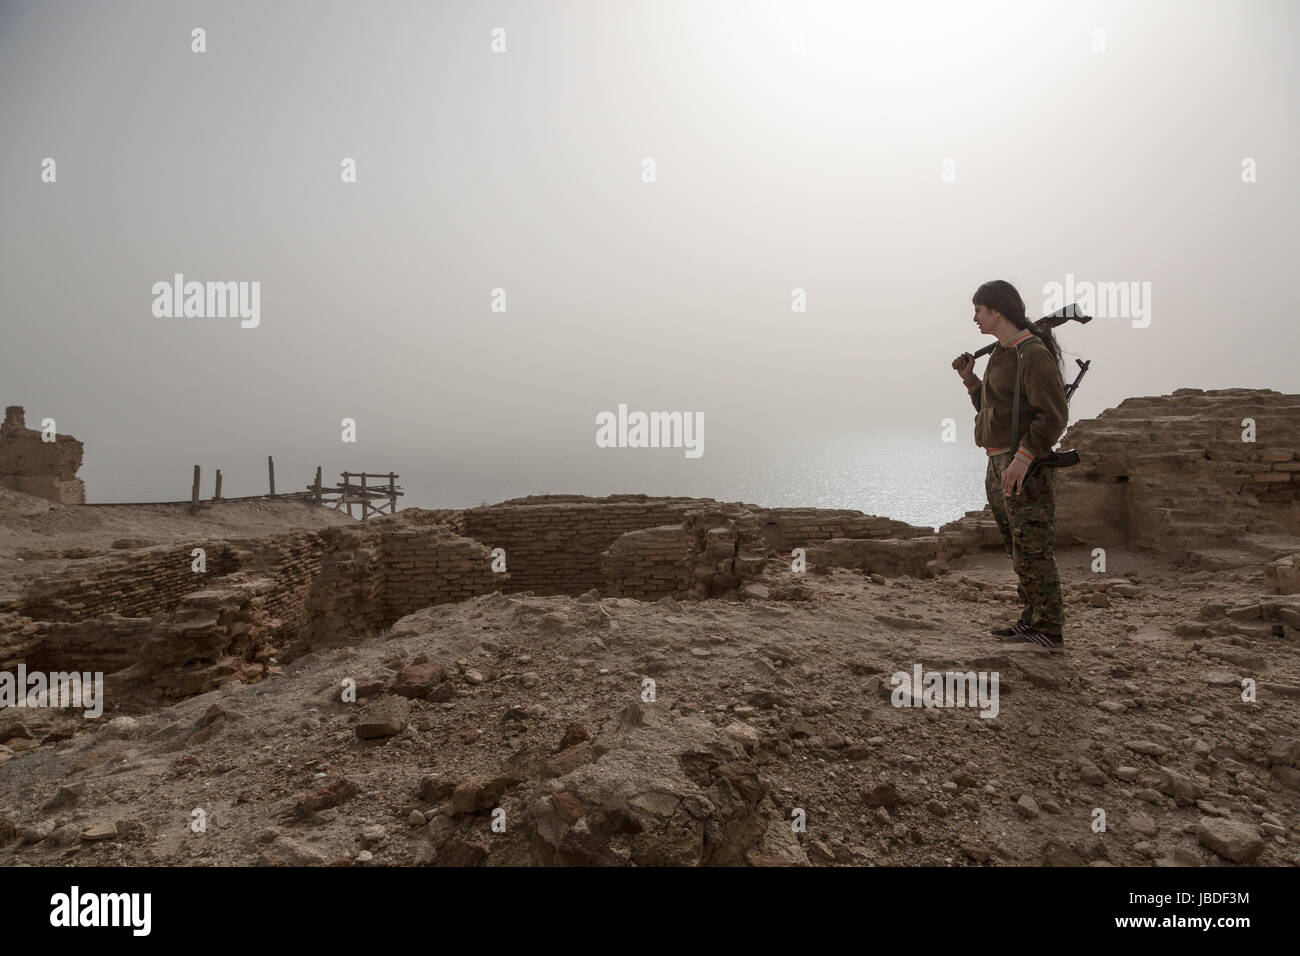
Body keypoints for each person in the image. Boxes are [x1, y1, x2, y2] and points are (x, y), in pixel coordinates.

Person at [951, 280, 1070, 648]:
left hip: (1025, 465)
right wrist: (971, 380)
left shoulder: (1031, 353)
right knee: (1017, 545)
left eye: (979, 310)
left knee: (1033, 544)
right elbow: (994, 412)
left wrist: (1024, 456)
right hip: (997, 460)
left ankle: (1049, 629)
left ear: (997, 310)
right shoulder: (1002, 354)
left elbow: (1052, 416)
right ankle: (1031, 617)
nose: (974, 318)